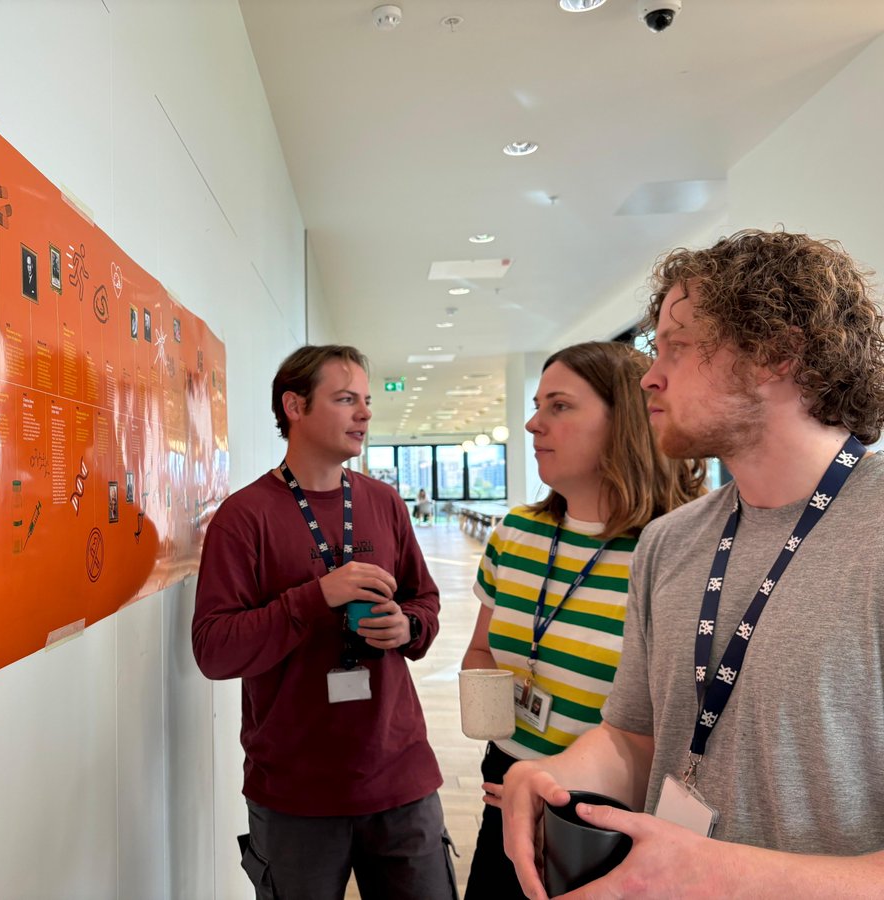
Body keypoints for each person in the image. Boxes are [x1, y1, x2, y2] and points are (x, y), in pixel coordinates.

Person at [501, 230, 884, 898]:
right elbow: (633, 737)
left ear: (774, 353)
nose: (650, 375)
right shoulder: (670, 542)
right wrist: (558, 772)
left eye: (677, 347)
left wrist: (723, 873)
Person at [192, 344, 455, 900]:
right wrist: (316, 598)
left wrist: (407, 627)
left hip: (400, 777)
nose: (364, 413)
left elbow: (425, 602)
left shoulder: (384, 502)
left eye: (364, 400)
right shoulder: (244, 518)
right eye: (344, 399)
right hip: (294, 793)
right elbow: (214, 650)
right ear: (294, 405)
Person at [461, 341, 706, 899]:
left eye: (559, 406)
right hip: (509, 779)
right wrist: (500, 738)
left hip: (610, 809)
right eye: (537, 404)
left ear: (624, 423)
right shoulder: (515, 534)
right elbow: (482, 651)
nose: (532, 423)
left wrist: (563, 775)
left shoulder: (677, 549)